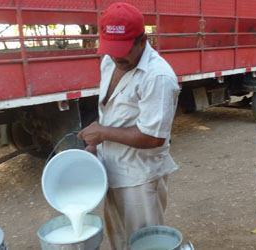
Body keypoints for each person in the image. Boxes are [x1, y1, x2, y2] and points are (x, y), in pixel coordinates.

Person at [77, 2, 180, 249]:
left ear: (142, 40)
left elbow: (154, 137)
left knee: (145, 243)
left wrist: (102, 133)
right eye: (110, 49)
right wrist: (96, 146)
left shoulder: (158, 77)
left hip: (139, 177)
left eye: (122, 49)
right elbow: (112, 113)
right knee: (120, 242)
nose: (115, 56)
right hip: (111, 169)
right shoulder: (110, 61)